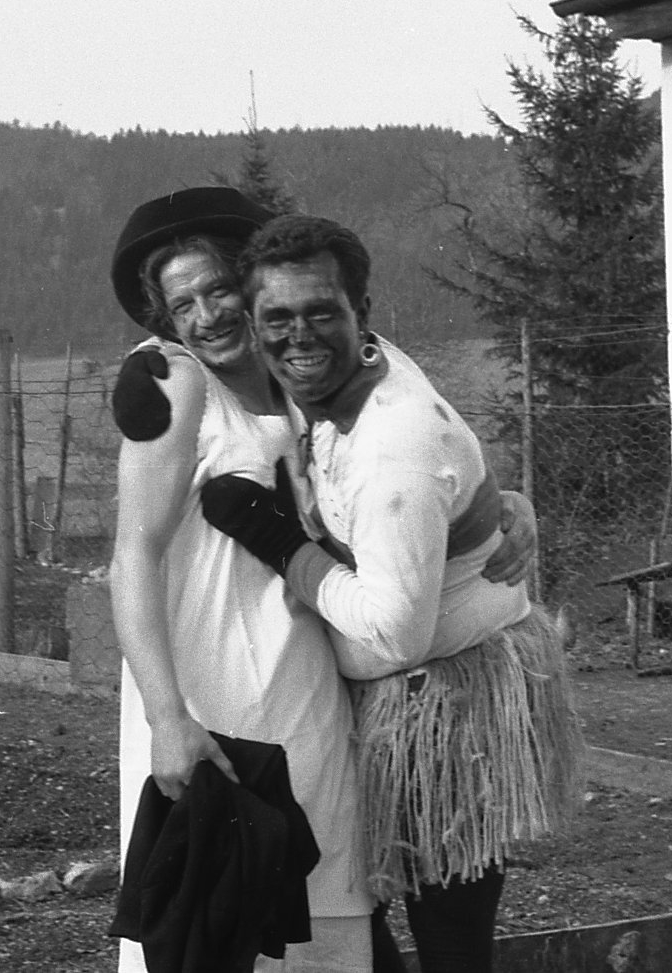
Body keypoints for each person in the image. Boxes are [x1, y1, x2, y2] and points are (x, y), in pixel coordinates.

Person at [104, 188, 538, 973]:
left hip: (311, 687)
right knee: (226, 925)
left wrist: (498, 505)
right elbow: (132, 555)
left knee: (326, 917)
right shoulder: (171, 379)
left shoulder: (301, 375)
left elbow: (405, 457)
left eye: (218, 290)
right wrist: (167, 717)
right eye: (182, 304)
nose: (206, 316)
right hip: (216, 693)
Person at [200, 213, 585, 973]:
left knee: (446, 931)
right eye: (278, 318)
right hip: (392, 696)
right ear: (253, 322)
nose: (299, 336)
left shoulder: (391, 445)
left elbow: (393, 635)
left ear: (361, 314)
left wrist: (282, 546)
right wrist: (497, 500)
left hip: (446, 703)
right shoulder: (338, 375)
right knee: (350, 904)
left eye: (322, 313)